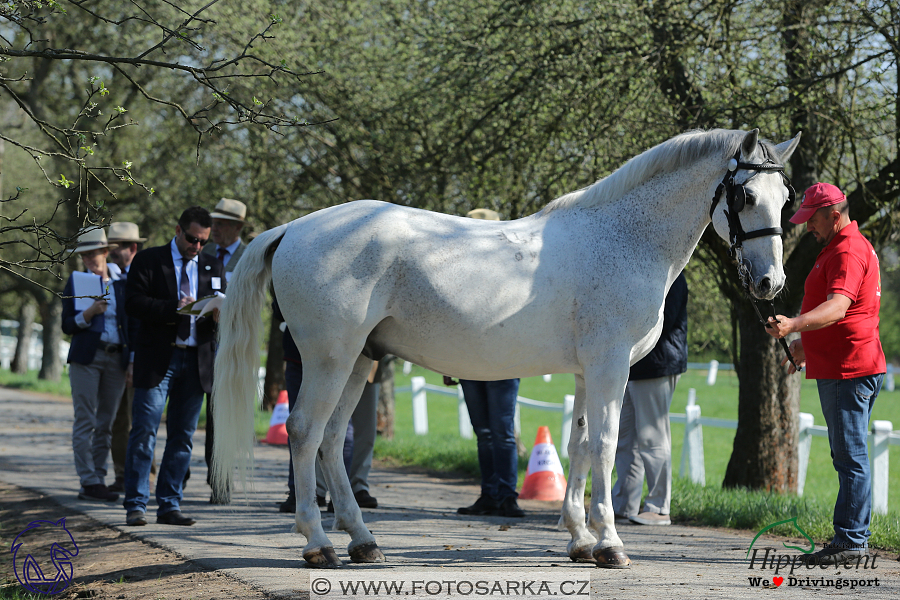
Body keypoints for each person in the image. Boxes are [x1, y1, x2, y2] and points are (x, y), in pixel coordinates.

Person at [766, 182, 885, 565]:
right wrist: (805, 345)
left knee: (850, 457)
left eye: (812, 219)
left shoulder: (848, 250)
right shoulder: (839, 246)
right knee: (849, 456)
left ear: (835, 214)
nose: (807, 227)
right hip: (844, 363)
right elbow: (844, 315)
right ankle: (852, 535)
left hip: (847, 368)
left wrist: (794, 325)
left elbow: (837, 308)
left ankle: (851, 540)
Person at [122, 206, 226, 527]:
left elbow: (221, 299)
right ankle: (136, 504)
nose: (197, 247)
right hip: (158, 360)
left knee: (182, 437)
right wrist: (175, 308)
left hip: (197, 362)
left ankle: (169, 504)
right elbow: (133, 303)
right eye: (193, 239)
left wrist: (222, 313)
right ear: (178, 230)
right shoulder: (150, 260)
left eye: (203, 242)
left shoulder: (212, 263)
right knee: (144, 432)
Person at [451, 207, 524, 518]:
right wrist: (449, 360)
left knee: (502, 430)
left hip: (503, 359)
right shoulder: (458, 272)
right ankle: (490, 492)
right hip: (469, 359)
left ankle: (506, 494)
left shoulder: (511, 270)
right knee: (483, 430)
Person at [61, 227, 137, 502]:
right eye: (85, 255)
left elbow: (131, 325)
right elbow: (67, 325)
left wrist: (131, 361)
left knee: (106, 422)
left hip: (116, 358)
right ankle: (88, 479)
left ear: (106, 252)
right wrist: (90, 313)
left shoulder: (121, 282)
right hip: (86, 358)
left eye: (95, 253)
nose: (90, 259)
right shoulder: (76, 281)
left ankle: (99, 478)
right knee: (86, 419)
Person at [612, 272, 687, 526]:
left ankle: (659, 506)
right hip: (634, 365)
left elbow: (661, 322)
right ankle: (623, 503)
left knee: (652, 437)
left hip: (658, 364)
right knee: (625, 439)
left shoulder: (672, 276)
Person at [200, 197, 248, 504]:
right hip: (205, 342)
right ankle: (213, 475)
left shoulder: (250, 255)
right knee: (211, 413)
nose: (213, 228)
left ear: (237, 227)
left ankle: (224, 478)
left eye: (220, 224)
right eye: (212, 223)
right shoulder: (203, 253)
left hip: (237, 342)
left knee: (228, 412)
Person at [105, 222, 146, 493]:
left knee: (141, 419)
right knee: (119, 420)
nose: (111, 253)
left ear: (132, 248)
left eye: (116, 247)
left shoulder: (142, 277)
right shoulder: (106, 278)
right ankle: (121, 473)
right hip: (115, 357)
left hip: (140, 357)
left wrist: (134, 358)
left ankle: (145, 474)